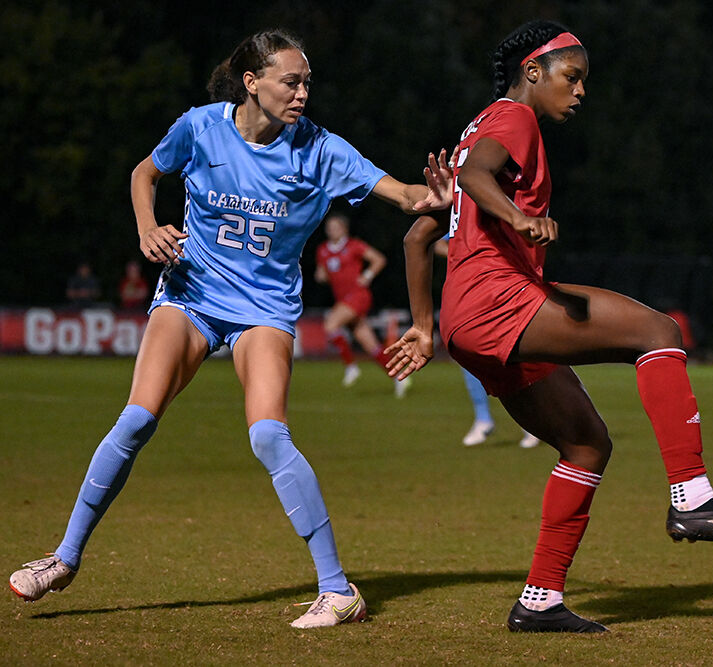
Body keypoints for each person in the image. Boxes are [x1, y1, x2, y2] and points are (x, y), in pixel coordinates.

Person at [8, 29, 451, 629]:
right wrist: (146, 227)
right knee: (136, 418)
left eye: (307, 83)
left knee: (269, 436)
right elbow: (145, 173)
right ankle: (63, 560)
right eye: (290, 82)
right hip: (190, 298)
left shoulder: (319, 149)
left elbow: (401, 195)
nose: (302, 93)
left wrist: (435, 196)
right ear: (252, 82)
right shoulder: (200, 127)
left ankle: (338, 590)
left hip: (264, 310)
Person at [386, 20, 713, 634]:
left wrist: (425, 327)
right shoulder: (514, 119)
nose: (580, 91)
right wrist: (517, 215)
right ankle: (692, 497)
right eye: (573, 77)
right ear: (533, 73)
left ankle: (539, 601)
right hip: (500, 303)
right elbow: (473, 179)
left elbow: (418, 235)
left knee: (587, 444)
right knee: (659, 332)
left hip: (472, 324)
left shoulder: (478, 129)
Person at [431, 237, 539, 447]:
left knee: (510, 356)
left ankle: (531, 423)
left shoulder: (498, 210)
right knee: (467, 355)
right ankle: (483, 418)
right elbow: (437, 244)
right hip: (466, 292)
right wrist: (467, 258)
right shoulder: (460, 209)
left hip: (501, 290)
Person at [314, 212, 411, 397]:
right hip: (343, 300)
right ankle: (399, 377)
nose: (331, 231)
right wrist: (321, 276)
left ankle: (351, 366)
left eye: (335, 227)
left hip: (358, 296)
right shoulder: (323, 250)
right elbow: (323, 273)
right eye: (329, 228)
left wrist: (366, 276)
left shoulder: (353, 245)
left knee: (331, 324)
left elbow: (379, 259)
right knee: (371, 345)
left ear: (344, 229)